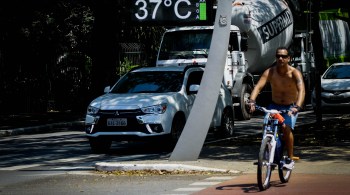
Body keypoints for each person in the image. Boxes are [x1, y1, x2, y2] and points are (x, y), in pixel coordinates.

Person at [248, 46, 305, 164]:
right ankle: (267, 150)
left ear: (289, 58)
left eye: (284, 56)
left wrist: (297, 107)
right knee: (266, 126)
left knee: (286, 128)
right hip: (274, 106)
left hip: (290, 107)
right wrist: (252, 101)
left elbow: (302, 90)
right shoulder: (270, 72)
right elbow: (258, 87)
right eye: (278, 56)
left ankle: (290, 157)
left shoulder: (295, 73)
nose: (280, 58)